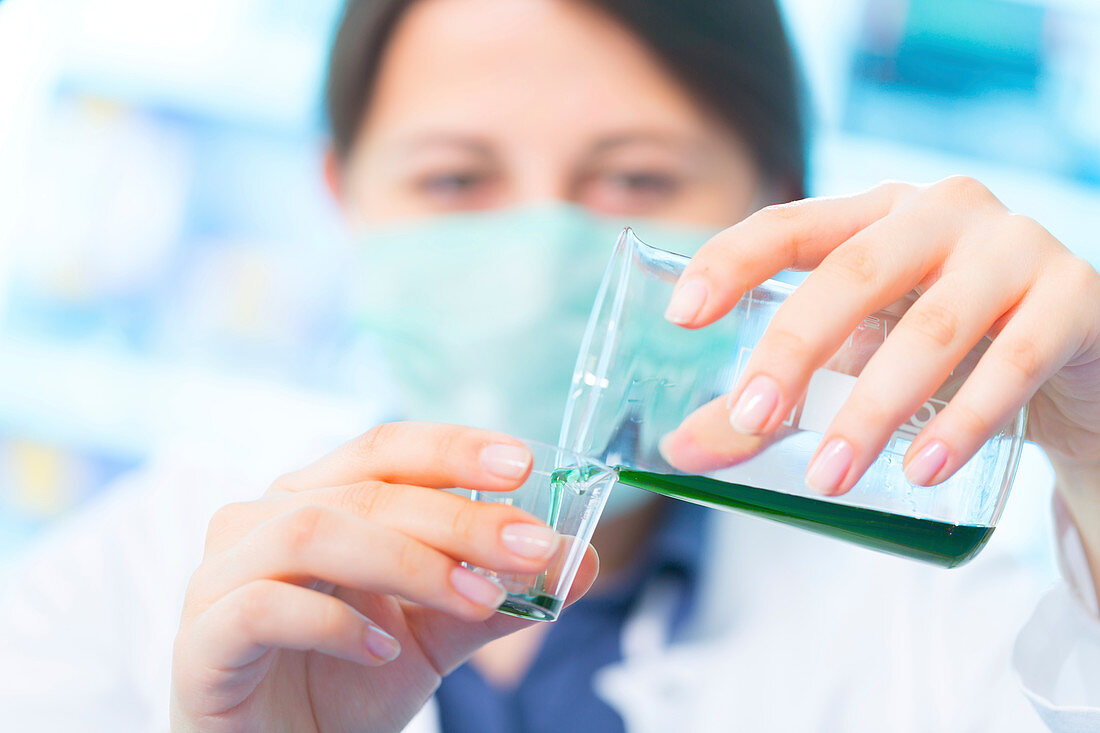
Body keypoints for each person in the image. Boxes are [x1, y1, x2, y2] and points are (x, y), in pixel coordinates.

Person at [1, 1, 1099, 731]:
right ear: (342, 197)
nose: (537, 262)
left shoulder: (924, 629)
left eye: (631, 179)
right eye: (452, 182)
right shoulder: (126, 581)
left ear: (776, 203)